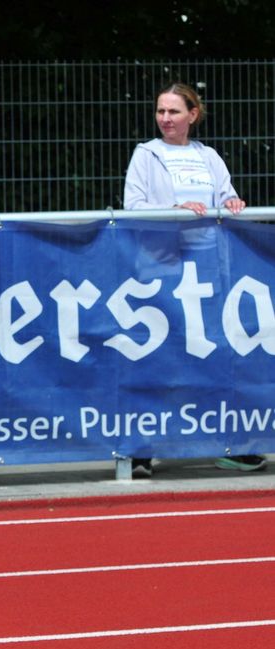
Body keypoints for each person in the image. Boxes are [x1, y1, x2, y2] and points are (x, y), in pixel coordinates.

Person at [123, 82, 266, 479]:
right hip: (162, 273)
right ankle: (140, 450)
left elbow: (227, 197)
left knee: (215, 357)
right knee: (159, 358)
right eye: (160, 111)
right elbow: (133, 206)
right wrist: (175, 208)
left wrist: (233, 203)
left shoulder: (209, 156)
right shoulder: (146, 154)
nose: (165, 118)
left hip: (208, 274)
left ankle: (231, 445)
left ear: (193, 114)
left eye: (173, 111)